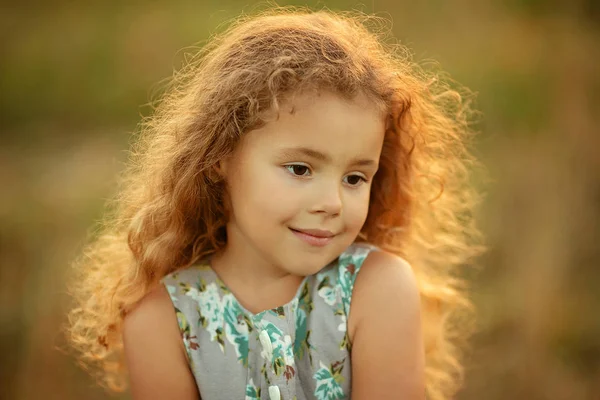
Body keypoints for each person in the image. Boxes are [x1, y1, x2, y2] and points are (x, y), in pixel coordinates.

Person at [65, 7, 484, 400]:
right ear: (218, 159)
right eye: (300, 169)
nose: (332, 202)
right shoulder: (162, 320)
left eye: (355, 178)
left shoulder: (376, 290)